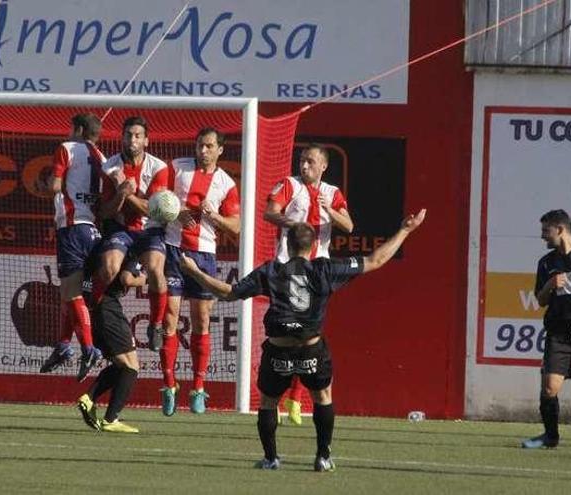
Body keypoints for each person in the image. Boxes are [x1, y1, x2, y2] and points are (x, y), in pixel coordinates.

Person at [180, 209, 426, 471]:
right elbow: (375, 260)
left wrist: (194, 271)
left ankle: (271, 458)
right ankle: (322, 457)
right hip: (311, 349)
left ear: (287, 244)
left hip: (279, 350)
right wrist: (405, 230)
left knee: (267, 402)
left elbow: (229, 293)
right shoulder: (325, 268)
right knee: (322, 397)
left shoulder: (271, 270)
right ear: (314, 246)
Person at [264, 145, 354, 425]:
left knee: (307, 334)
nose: (304, 167)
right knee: (286, 332)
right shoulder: (290, 185)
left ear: (323, 166)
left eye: (310, 162)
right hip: (288, 268)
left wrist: (331, 211)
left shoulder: (332, 193)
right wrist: (293, 224)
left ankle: (294, 398)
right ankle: (279, 398)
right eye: (302, 161)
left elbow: (348, 226)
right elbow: (270, 212)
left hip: (317, 271)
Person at [160, 127, 240, 415]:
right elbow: (156, 200)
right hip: (173, 249)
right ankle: (169, 385)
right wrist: (173, 212)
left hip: (204, 253)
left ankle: (198, 387)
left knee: (201, 318)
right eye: (199, 145)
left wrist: (214, 215)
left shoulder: (226, 183)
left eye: (208, 146)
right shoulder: (177, 168)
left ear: (220, 149)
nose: (202, 151)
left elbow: (236, 226)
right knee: (170, 317)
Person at [93, 116, 169, 354]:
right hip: (121, 229)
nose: (132, 140)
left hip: (150, 230)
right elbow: (104, 211)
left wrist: (125, 191)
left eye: (137, 135)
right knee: (109, 269)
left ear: (146, 140)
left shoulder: (159, 168)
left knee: (156, 269)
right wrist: (120, 194)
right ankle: (91, 308)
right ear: (122, 137)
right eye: (128, 135)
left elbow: (152, 209)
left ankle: (156, 325)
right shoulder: (109, 167)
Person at [39, 113, 107, 381]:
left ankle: (89, 348)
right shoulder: (101, 158)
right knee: (71, 292)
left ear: (78, 129)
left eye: (71, 128)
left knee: (71, 293)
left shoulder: (66, 148)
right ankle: (64, 345)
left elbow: (56, 186)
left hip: (72, 227)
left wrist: (44, 186)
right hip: (92, 230)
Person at [521, 209, 571, 450]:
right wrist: (551, 284)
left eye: (545, 231)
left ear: (560, 229)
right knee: (550, 387)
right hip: (559, 332)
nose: (542, 236)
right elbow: (540, 300)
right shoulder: (546, 263)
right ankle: (550, 436)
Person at [76, 257, 144, 434]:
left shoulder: (102, 247)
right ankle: (111, 419)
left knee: (121, 364)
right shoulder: (128, 248)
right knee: (131, 366)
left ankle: (89, 398)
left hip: (90, 310)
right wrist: (148, 278)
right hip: (108, 308)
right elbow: (127, 278)